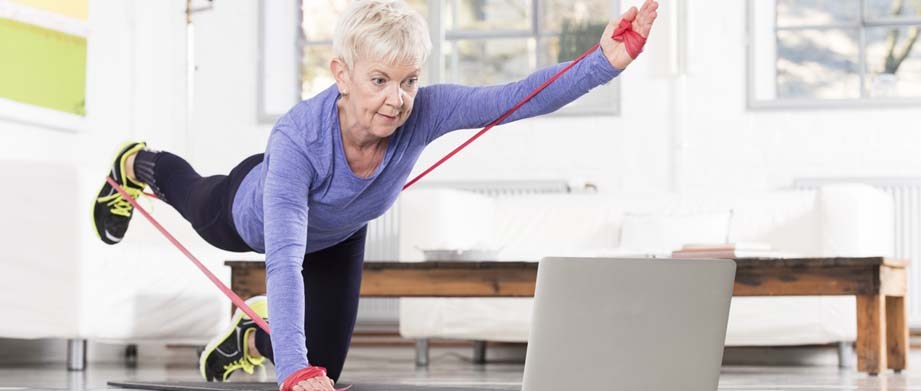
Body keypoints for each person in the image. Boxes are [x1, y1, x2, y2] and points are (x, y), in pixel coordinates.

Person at [90, 0, 658, 389]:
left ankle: (252, 339)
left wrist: (604, 61)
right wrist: (291, 371)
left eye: (409, 80)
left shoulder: (425, 111)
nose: (398, 99)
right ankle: (138, 164)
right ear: (342, 73)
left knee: (326, 369)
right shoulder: (297, 140)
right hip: (253, 212)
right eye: (380, 80)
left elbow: (516, 96)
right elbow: (284, 263)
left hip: (338, 235)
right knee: (195, 198)